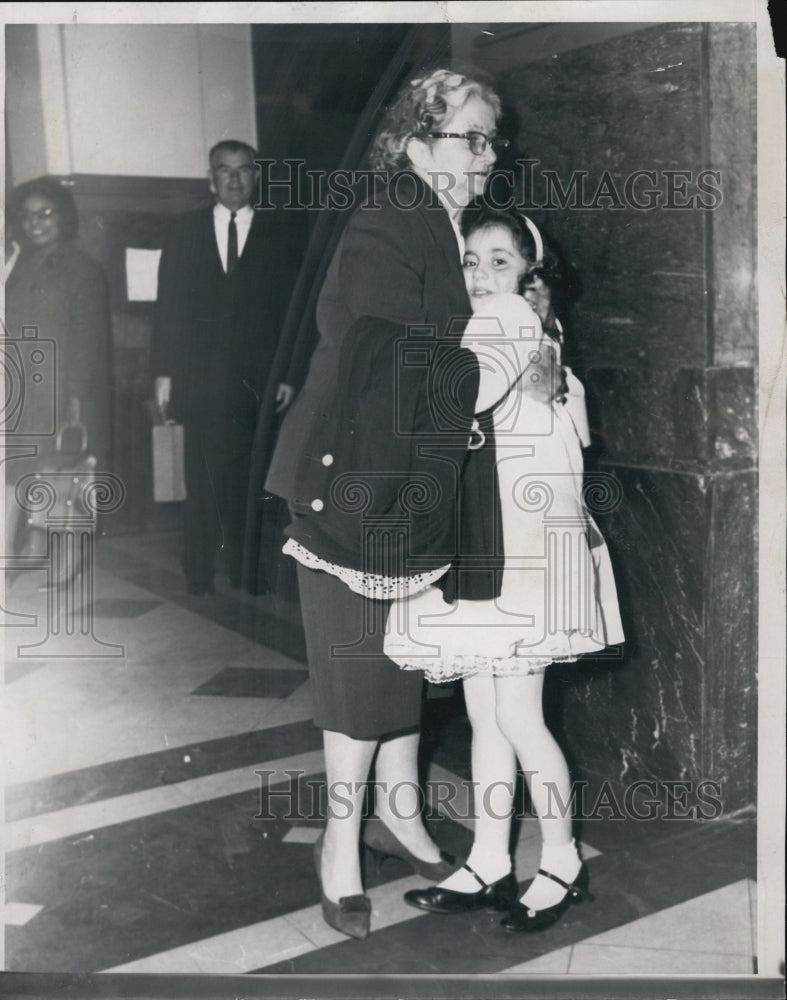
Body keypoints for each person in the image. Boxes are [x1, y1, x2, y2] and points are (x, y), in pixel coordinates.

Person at [265, 67, 519, 939]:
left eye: (492, 140)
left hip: (414, 480)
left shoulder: (457, 226)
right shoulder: (389, 218)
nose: (487, 155)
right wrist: (497, 362)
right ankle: (339, 846)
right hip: (355, 487)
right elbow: (385, 355)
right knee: (356, 673)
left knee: (405, 660)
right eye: (471, 138)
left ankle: (401, 817)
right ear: (417, 144)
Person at [385, 206, 624, 931]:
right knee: (488, 714)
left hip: (522, 556)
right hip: (498, 545)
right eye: (470, 260)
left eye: (499, 258)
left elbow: (471, 390)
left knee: (516, 715)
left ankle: (560, 858)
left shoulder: (509, 318)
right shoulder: (529, 329)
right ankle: (491, 858)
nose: (483, 273)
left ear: (526, 269)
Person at [150, 140, 294, 595]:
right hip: (198, 380)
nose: (234, 179)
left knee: (251, 482)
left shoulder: (282, 232)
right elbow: (167, 306)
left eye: (243, 170)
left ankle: (247, 572)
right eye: (224, 170)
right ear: (210, 177)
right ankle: (197, 571)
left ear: (256, 176)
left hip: (258, 381)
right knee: (202, 479)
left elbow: (293, 309)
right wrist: (163, 374)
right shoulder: (184, 230)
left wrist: (288, 373)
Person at [5, 177, 113, 557]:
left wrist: (76, 398)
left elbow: (87, 339)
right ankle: (20, 553)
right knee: (20, 475)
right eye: (28, 215)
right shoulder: (18, 266)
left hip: (57, 392)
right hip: (18, 391)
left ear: (63, 217)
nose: (35, 222)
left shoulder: (83, 269)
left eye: (45, 213)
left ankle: (64, 564)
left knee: (63, 477)